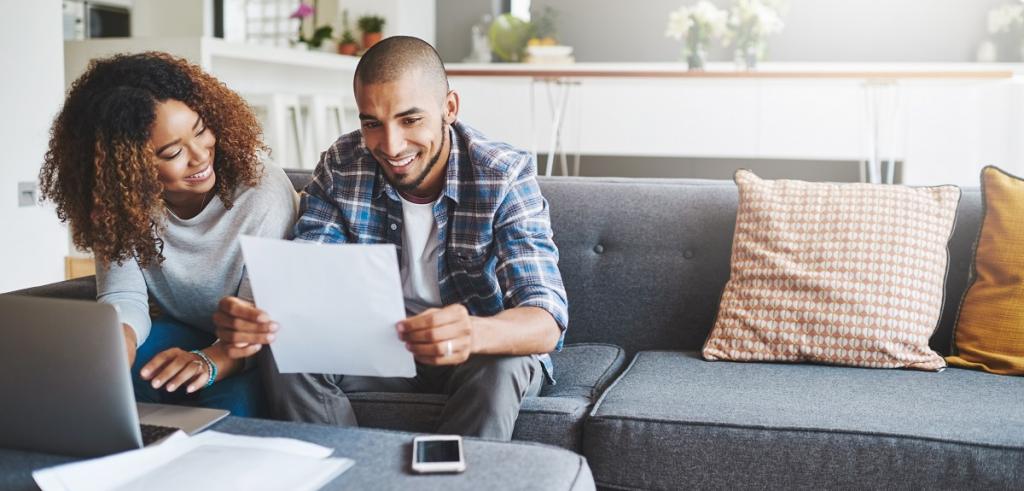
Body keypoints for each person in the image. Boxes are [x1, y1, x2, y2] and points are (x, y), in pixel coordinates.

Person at [213, 36, 568, 439]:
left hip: (476, 351)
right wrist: (260, 315)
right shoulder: (343, 165)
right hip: (381, 349)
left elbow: (546, 317)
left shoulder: (502, 174)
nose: (391, 145)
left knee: (506, 363)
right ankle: (346, 476)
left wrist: (472, 332)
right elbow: (311, 270)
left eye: (410, 119)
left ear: (449, 108)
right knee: (283, 348)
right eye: (372, 123)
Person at [39, 52, 298, 416]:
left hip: (250, 348)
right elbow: (124, 295)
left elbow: (257, 321)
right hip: (180, 330)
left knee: (233, 412)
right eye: (172, 152)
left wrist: (208, 362)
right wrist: (120, 339)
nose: (200, 156)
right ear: (127, 167)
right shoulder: (120, 202)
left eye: (201, 131)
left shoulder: (261, 190)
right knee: (103, 388)